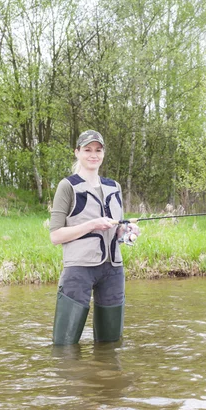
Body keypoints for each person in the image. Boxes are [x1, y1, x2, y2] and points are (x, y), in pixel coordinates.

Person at [49, 130, 139, 345]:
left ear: (103, 153)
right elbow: (55, 236)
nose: (93, 155)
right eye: (87, 150)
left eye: (98, 150)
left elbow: (116, 230)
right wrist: (92, 224)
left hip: (113, 271)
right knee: (64, 346)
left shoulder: (114, 187)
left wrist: (127, 232)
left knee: (111, 346)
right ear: (77, 152)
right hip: (79, 269)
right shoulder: (67, 186)